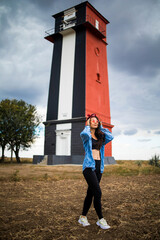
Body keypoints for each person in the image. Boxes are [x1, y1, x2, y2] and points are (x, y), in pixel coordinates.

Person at [78, 113, 114, 229]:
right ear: (88, 123)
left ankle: (83, 217)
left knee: (91, 193)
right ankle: (101, 219)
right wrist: (88, 125)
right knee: (98, 192)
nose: (95, 122)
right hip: (89, 167)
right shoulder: (86, 136)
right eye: (92, 120)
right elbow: (83, 133)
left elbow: (110, 136)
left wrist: (102, 127)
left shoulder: (100, 137)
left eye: (96, 120)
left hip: (99, 167)